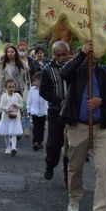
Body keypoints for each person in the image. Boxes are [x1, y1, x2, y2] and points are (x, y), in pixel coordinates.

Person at [60, 40, 106, 211]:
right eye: (91, 50)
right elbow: (64, 73)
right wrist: (81, 54)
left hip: (100, 128)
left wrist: (101, 101)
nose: (94, 54)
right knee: (75, 166)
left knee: (103, 168)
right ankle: (74, 198)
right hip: (78, 127)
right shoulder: (77, 70)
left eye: (97, 51)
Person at [40, 41, 70, 182]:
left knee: (72, 144)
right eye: (59, 55)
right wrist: (59, 101)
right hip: (55, 109)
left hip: (72, 111)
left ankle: (68, 174)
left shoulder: (75, 67)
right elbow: (44, 91)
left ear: (68, 54)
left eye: (64, 54)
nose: (62, 57)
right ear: (54, 55)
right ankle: (50, 165)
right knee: (54, 142)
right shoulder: (47, 69)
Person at [0, 79, 24, 156]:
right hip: (6, 117)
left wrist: (17, 105)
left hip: (15, 116)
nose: (11, 89)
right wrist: (7, 109)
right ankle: (8, 147)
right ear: (6, 88)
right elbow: (1, 106)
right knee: (7, 133)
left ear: (15, 87)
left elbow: (22, 105)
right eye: (9, 87)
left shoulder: (17, 96)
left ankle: (14, 148)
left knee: (14, 132)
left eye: (12, 87)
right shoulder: (4, 96)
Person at [27, 72, 48, 152]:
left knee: (42, 127)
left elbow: (46, 101)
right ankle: (35, 141)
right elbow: (30, 100)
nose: (33, 83)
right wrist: (29, 110)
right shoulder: (32, 90)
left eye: (35, 81)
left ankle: (40, 141)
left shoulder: (45, 89)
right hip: (34, 112)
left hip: (42, 112)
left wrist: (47, 112)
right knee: (36, 127)